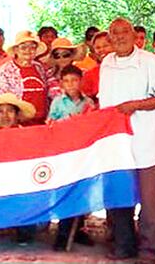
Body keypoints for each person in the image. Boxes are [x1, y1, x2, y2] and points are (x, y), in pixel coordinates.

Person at [98, 18, 155, 262]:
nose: (120, 36)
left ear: (134, 35)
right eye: (115, 33)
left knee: (150, 201)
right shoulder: (106, 63)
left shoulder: (149, 61)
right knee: (120, 195)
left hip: (145, 141)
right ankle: (124, 244)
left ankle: (150, 249)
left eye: (124, 32)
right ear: (109, 38)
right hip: (116, 143)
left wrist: (135, 105)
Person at [48, 65, 95, 251]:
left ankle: (79, 229)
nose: (71, 84)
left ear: (80, 81)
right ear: (61, 83)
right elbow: (50, 125)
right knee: (65, 190)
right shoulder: (57, 102)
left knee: (82, 190)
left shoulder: (89, 103)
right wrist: (67, 122)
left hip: (83, 153)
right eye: (66, 81)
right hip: (64, 153)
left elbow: (94, 125)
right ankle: (63, 232)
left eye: (74, 80)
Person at [0, 93, 37, 245]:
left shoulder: (29, 135)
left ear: (17, 115)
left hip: (23, 183)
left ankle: (24, 230)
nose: (5, 116)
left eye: (10, 111)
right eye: (0, 111)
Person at [0, 31, 50, 125]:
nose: (28, 50)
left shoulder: (39, 68)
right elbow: (1, 99)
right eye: (23, 47)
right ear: (16, 50)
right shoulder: (5, 71)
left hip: (42, 122)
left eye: (32, 47)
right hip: (19, 124)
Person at [80, 31, 113, 101]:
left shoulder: (127, 68)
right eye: (98, 48)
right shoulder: (90, 75)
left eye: (105, 46)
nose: (102, 50)